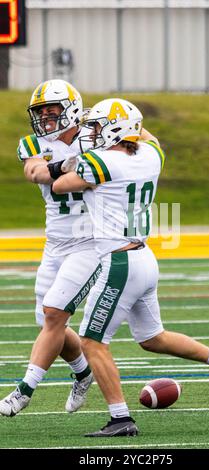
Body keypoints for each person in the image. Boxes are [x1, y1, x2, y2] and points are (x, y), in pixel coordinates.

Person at [53, 97, 209, 437]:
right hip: (143, 257)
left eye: (98, 126)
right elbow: (148, 138)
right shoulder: (151, 156)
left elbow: (58, 186)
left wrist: (64, 164)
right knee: (152, 338)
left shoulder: (100, 161)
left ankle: (120, 418)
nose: (93, 133)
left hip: (119, 261)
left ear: (114, 129)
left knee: (92, 342)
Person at [0, 79, 101, 417]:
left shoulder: (97, 137)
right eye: (40, 112)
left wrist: (110, 129)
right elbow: (35, 172)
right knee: (47, 321)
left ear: (71, 109)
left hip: (91, 240)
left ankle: (24, 391)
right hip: (55, 242)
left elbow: (141, 140)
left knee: (56, 314)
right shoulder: (33, 143)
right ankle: (84, 373)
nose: (44, 118)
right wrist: (69, 164)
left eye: (51, 110)